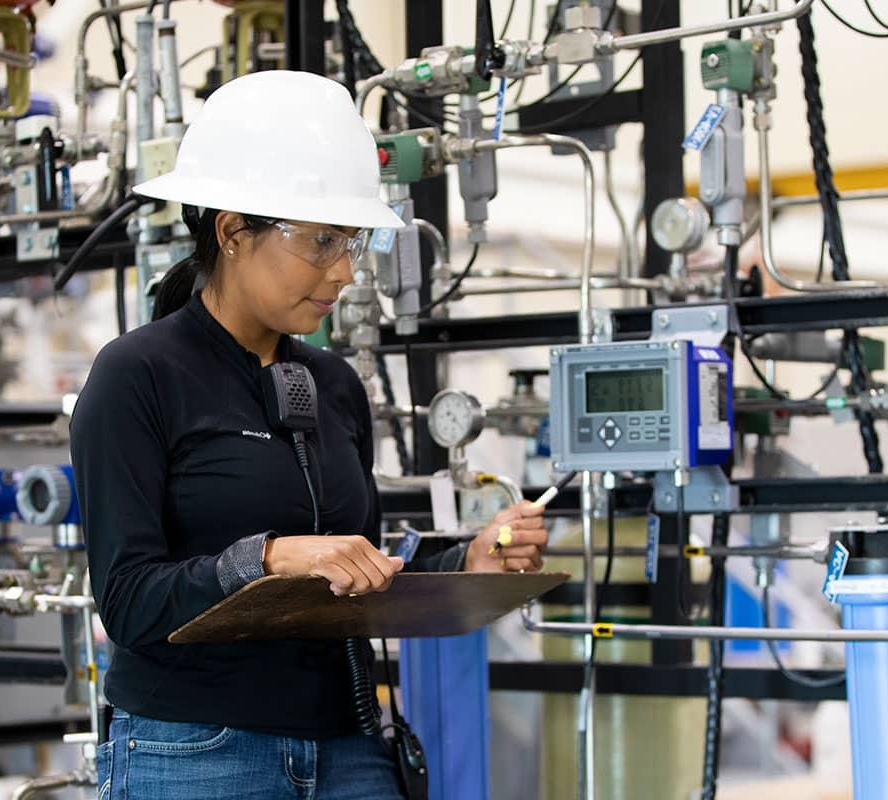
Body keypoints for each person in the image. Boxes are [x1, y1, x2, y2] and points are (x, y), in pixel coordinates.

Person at [71, 70, 549, 800]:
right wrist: (262, 559)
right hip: (198, 751)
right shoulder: (137, 376)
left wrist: (466, 563)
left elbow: (360, 572)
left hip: (346, 746)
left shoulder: (333, 386)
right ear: (232, 231)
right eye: (322, 242)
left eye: (350, 242)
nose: (346, 271)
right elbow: (129, 600)